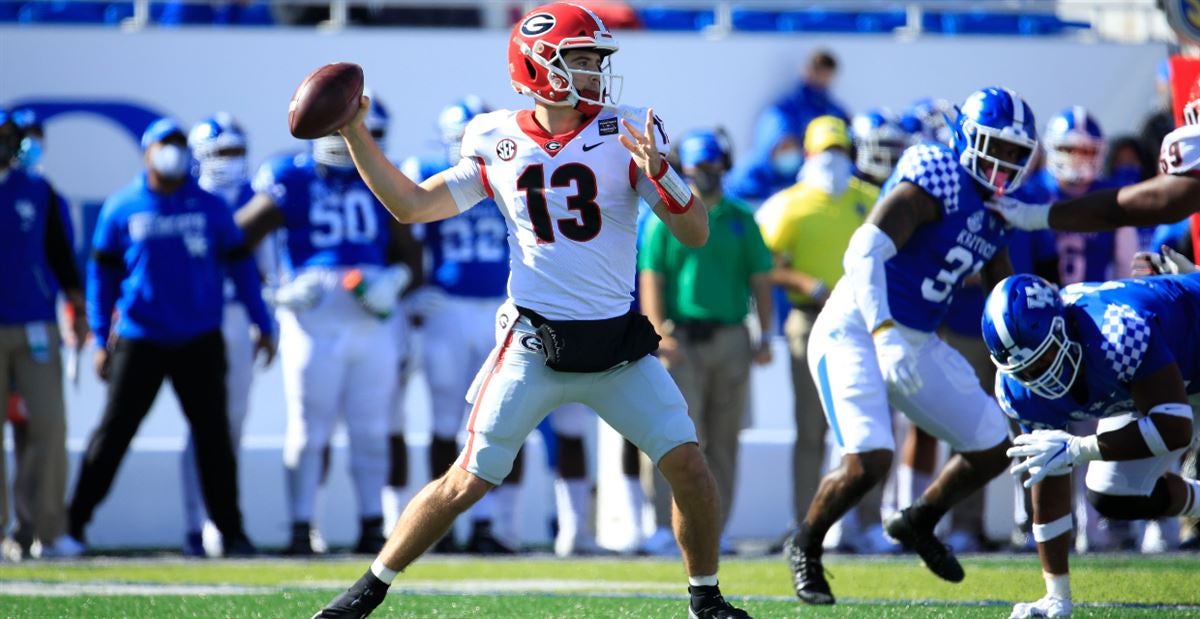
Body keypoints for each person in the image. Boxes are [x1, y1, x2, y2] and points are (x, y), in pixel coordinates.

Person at [314, 4, 750, 618]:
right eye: (582, 59)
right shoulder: (497, 138)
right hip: (534, 344)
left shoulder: (627, 131)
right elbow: (412, 206)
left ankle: (705, 599)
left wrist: (666, 176)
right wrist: (356, 133)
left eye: (597, 60)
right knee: (467, 479)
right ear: (540, 66)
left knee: (690, 466)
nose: (596, 72)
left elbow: (696, 234)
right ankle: (367, 590)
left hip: (615, 348)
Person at [785, 87, 1044, 605]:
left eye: (1017, 153)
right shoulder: (938, 172)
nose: (1007, 162)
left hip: (919, 337)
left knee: (994, 444)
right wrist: (883, 333)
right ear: (969, 139)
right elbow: (863, 251)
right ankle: (806, 545)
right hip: (857, 325)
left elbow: (1003, 293)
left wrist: (1030, 356)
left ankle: (918, 519)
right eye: (999, 146)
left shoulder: (998, 208)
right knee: (870, 459)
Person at [68, 118, 273, 554]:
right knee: (114, 433)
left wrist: (263, 322)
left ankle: (230, 532)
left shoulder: (210, 206)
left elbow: (242, 270)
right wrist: (100, 336)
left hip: (199, 337)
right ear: (147, 152)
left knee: (214, 439)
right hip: (141, 336)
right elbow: (101, 279)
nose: (173, 153)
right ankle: (73, 524)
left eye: (180, 145)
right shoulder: (122, 207)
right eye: (165, 145)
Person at [236, 96, 419, 556]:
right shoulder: (290, 177)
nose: (346, 142)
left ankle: (372, 525)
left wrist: (397, 279)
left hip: (369, 316)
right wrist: (273, 290)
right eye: (336, 132)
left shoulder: (384, 176)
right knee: (307, 429)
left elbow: (411, 252)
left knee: (371, 429)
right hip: (312, 315)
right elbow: (235, 239)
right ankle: (301, 527)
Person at [981, 272, 1200, 619]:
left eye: (1044, 357)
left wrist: (1079, 448)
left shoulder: (1114, 331)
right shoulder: (1018, 389)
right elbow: (1048, 475)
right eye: (1025, 370)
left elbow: (1175, 428)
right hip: (1163, 385)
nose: (1040, 376)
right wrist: (1057, 596)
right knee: (1111, 492)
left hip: (1188, 353)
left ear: (1062, 326)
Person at [639, 127, 775, 542]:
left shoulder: (741, 218)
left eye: (712, 166)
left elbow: (760, 279)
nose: (705, 175)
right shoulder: (665, 215)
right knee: (673, 436)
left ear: (724, 166)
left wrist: (764, 334)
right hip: (681, 340)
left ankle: (715, 528)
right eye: (697, 168)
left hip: (731, 338)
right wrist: (658, 332)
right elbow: (652, 276)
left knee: (723, 439)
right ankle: (664, 527)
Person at [756, 116, 883, 552]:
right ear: (808, 155)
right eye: (823, 151)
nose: (831, 160)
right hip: (809, 319)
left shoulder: (870, 199)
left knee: (866, 426)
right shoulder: (786, 204)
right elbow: (763, 266)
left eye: (839, 151)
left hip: (864, 321)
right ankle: (807, 522)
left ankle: (867, 525)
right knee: (810, 427)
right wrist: (804, 281)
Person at [172, 112, 266, 557]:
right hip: (199, 319)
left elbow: (269, 268)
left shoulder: (257, 198)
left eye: (236, 151)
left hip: (238, 317)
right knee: (201, 424)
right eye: (221, 152)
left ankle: (221, 521)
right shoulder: (188, 200)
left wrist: (266, 317)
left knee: (230, 425)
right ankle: (197, 522)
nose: (230, 161)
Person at [0, 109, 87, 560]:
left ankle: (48, 530)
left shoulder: (38, 189)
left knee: (49, 426)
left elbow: (60, 254)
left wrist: (77, 306)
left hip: (35, 320)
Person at [987, 83, 1200, 261]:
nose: (1078, 158)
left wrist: (1035, 215)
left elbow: (1160, 198)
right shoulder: (1032, 191)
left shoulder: (1106, 191)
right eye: (1069, 149)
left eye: (1087, 151)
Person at [726, 50, 849, 202]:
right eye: (819, 73)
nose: (822, 80)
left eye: (826, 76)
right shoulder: (749, 175)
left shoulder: (834, 110)